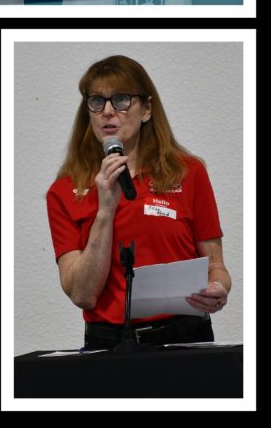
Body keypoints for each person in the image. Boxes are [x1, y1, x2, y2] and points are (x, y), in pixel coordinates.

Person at [46, 55, 231, 351]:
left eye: (120, 99)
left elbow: (217, 267)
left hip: (183, 335)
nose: (108, 111)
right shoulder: (65, 190)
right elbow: (83, 295)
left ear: (146, 109)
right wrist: (105, 209)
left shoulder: (189, 172)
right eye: (97, 101)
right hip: (109, 342)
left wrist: (218, 289)